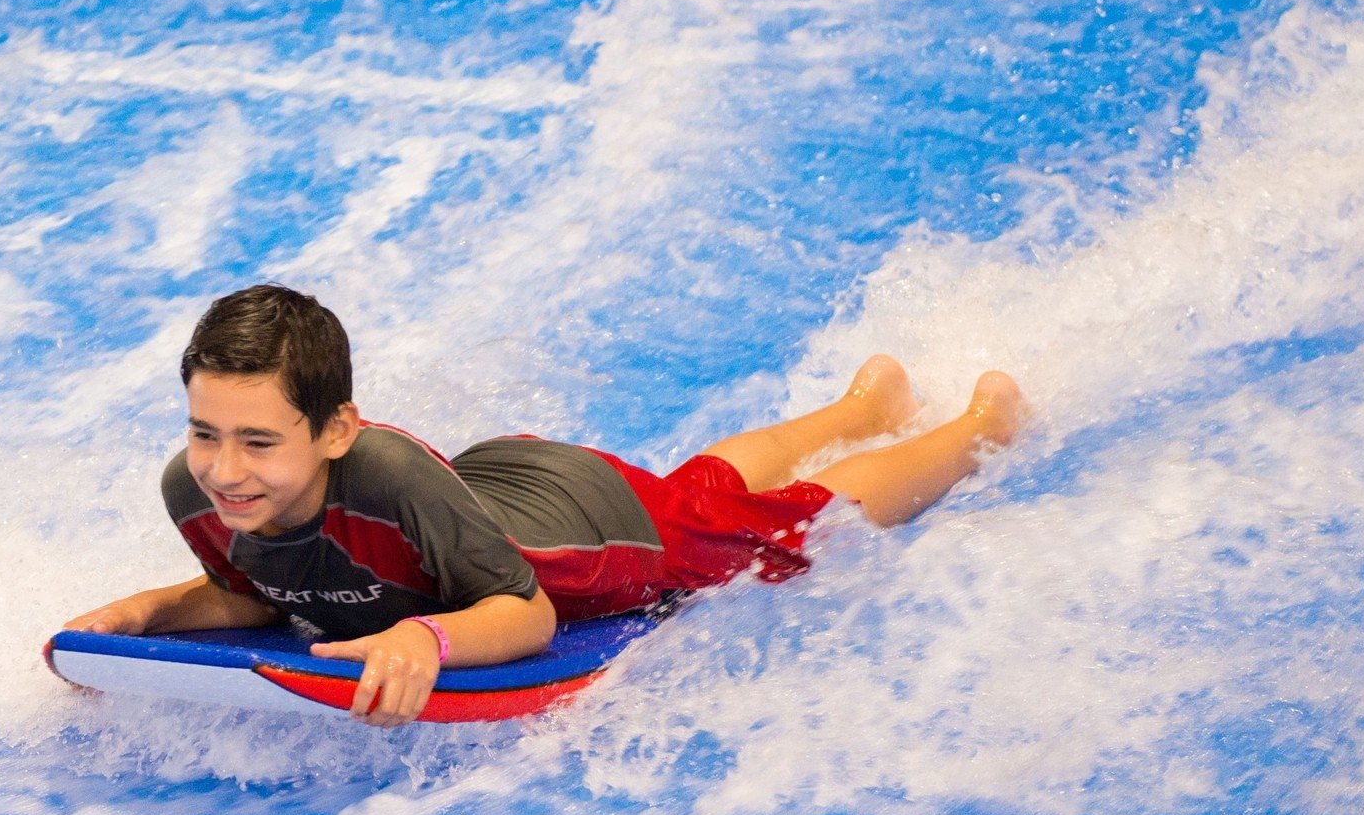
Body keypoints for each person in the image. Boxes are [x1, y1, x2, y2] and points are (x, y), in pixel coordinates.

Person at [62, 283, 1026, 726]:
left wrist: (425, 643)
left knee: (779, 525)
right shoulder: (192, 489)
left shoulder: (387, 475)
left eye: (259, 441)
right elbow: (254, 596)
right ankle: (865, 403)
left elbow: (527, 614)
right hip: (494, 488)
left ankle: (975, 426)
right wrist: (155, 610)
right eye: (205, 432)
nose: (225, 470)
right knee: (705, 489)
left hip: (588, 537)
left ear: (337, 430)